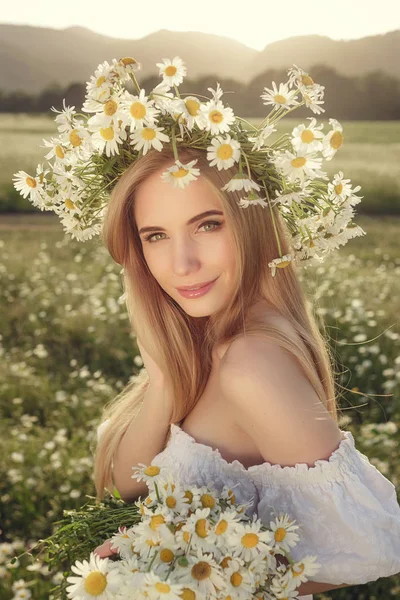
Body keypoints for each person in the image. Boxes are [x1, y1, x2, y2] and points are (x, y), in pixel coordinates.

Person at [93, 146, 400, 599]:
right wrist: (161, 381)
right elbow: (129, 482)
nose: (182, 264)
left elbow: (370, 543)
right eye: (155, 235)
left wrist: (178, 574)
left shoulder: (250, 364)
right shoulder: (207, 338)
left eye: (208, 225)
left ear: (254, 222)